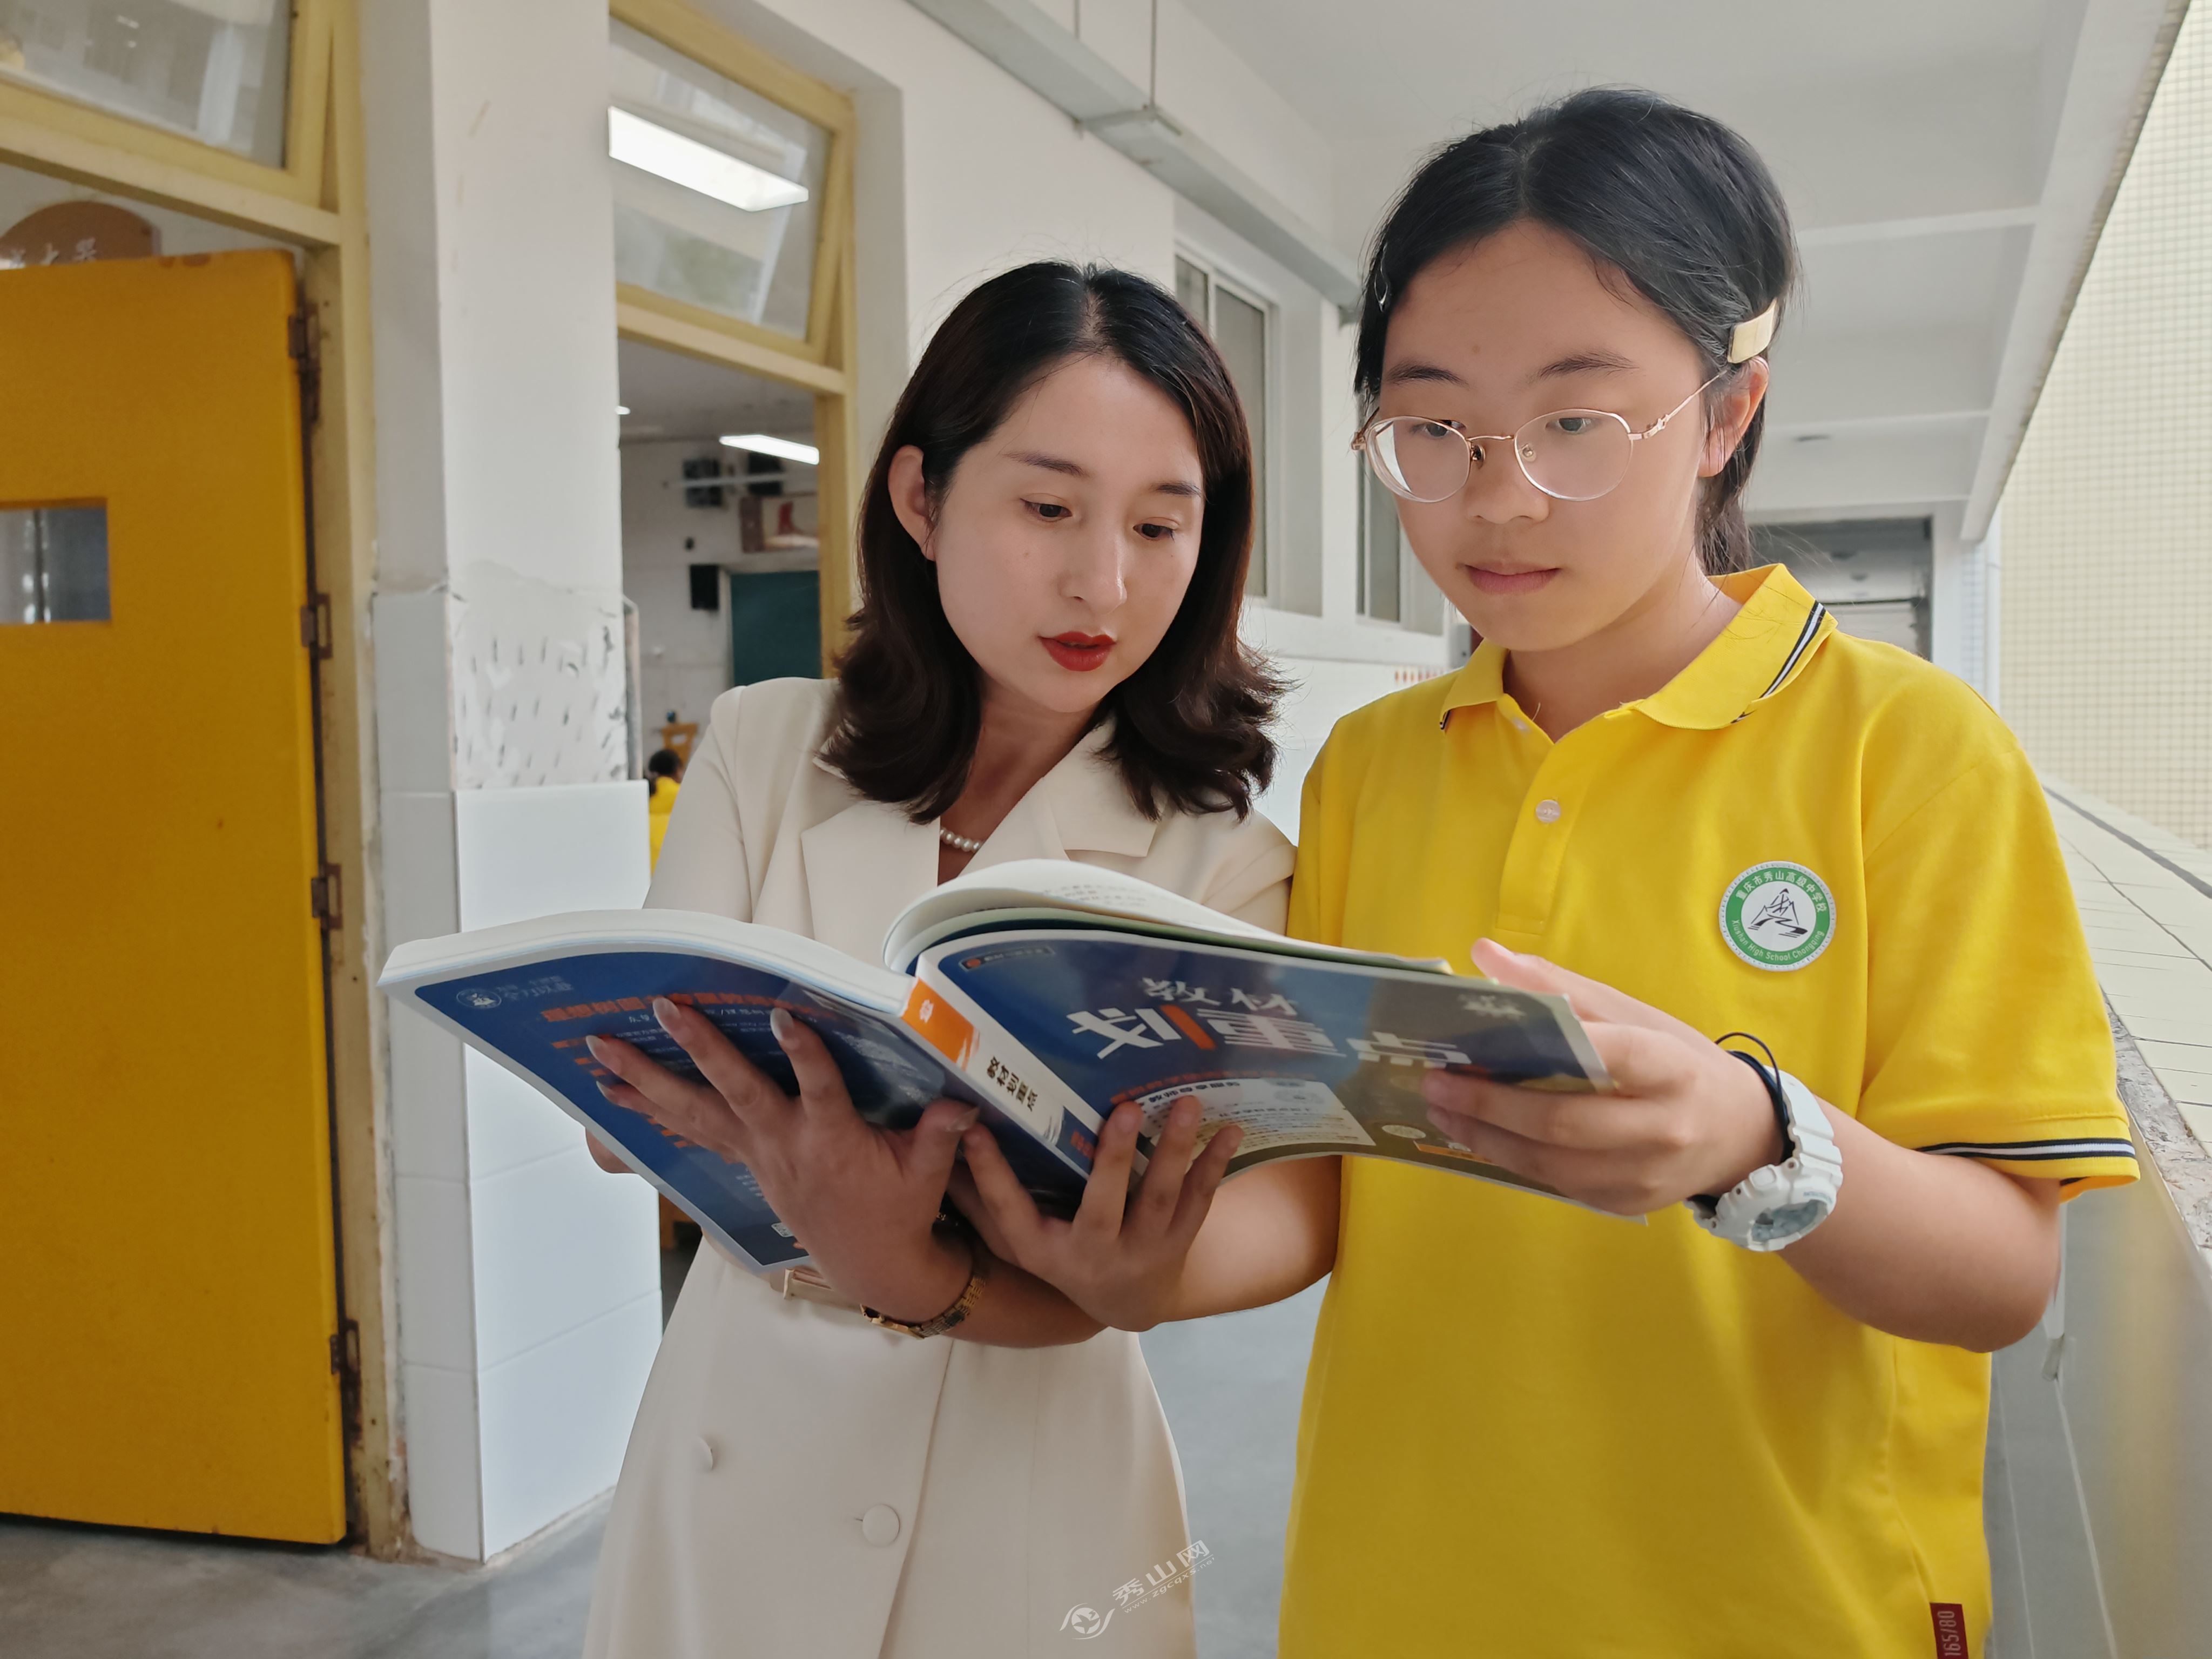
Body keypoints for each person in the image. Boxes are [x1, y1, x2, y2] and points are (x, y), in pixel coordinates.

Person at [956, 90, 2139, 1657]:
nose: (1498, 494)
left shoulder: (1906, 750)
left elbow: (2004, 1278)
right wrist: (1139, 1266)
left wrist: (1756, 1137)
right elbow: (1323, 1196)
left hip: (1780, 1611)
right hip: (1393, 1602)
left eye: (1578, 420)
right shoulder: (1374, 766)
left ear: (1724, 415)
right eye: (1434, 427)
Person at [578, 261, 1291, 1659]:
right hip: (737, 1452)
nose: (1103, 581)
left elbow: (1129, 1268)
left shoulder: (1226, 862)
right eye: (1047, 509)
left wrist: (896, 1243)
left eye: (1161, 525)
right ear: (920, 497)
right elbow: (630, 1120)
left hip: (1030, 1493)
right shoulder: (768, 747)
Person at [644, 746, 683, 869]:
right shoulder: (682, 794)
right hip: (673, 860)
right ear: (677, 770)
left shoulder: (646, 794)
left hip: (647, 861)